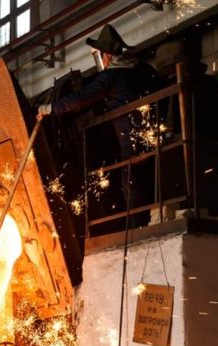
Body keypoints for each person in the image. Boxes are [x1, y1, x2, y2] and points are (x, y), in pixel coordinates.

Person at [37, 24, 165, 228]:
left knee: (131, 182)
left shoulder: (112, 76)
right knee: (152, 179)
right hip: (156, 137)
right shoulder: (144, 69)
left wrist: (51, 108)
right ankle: (155, 220)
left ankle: (138, 230)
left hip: (131, 143)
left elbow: (82, 98)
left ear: (107, 55)